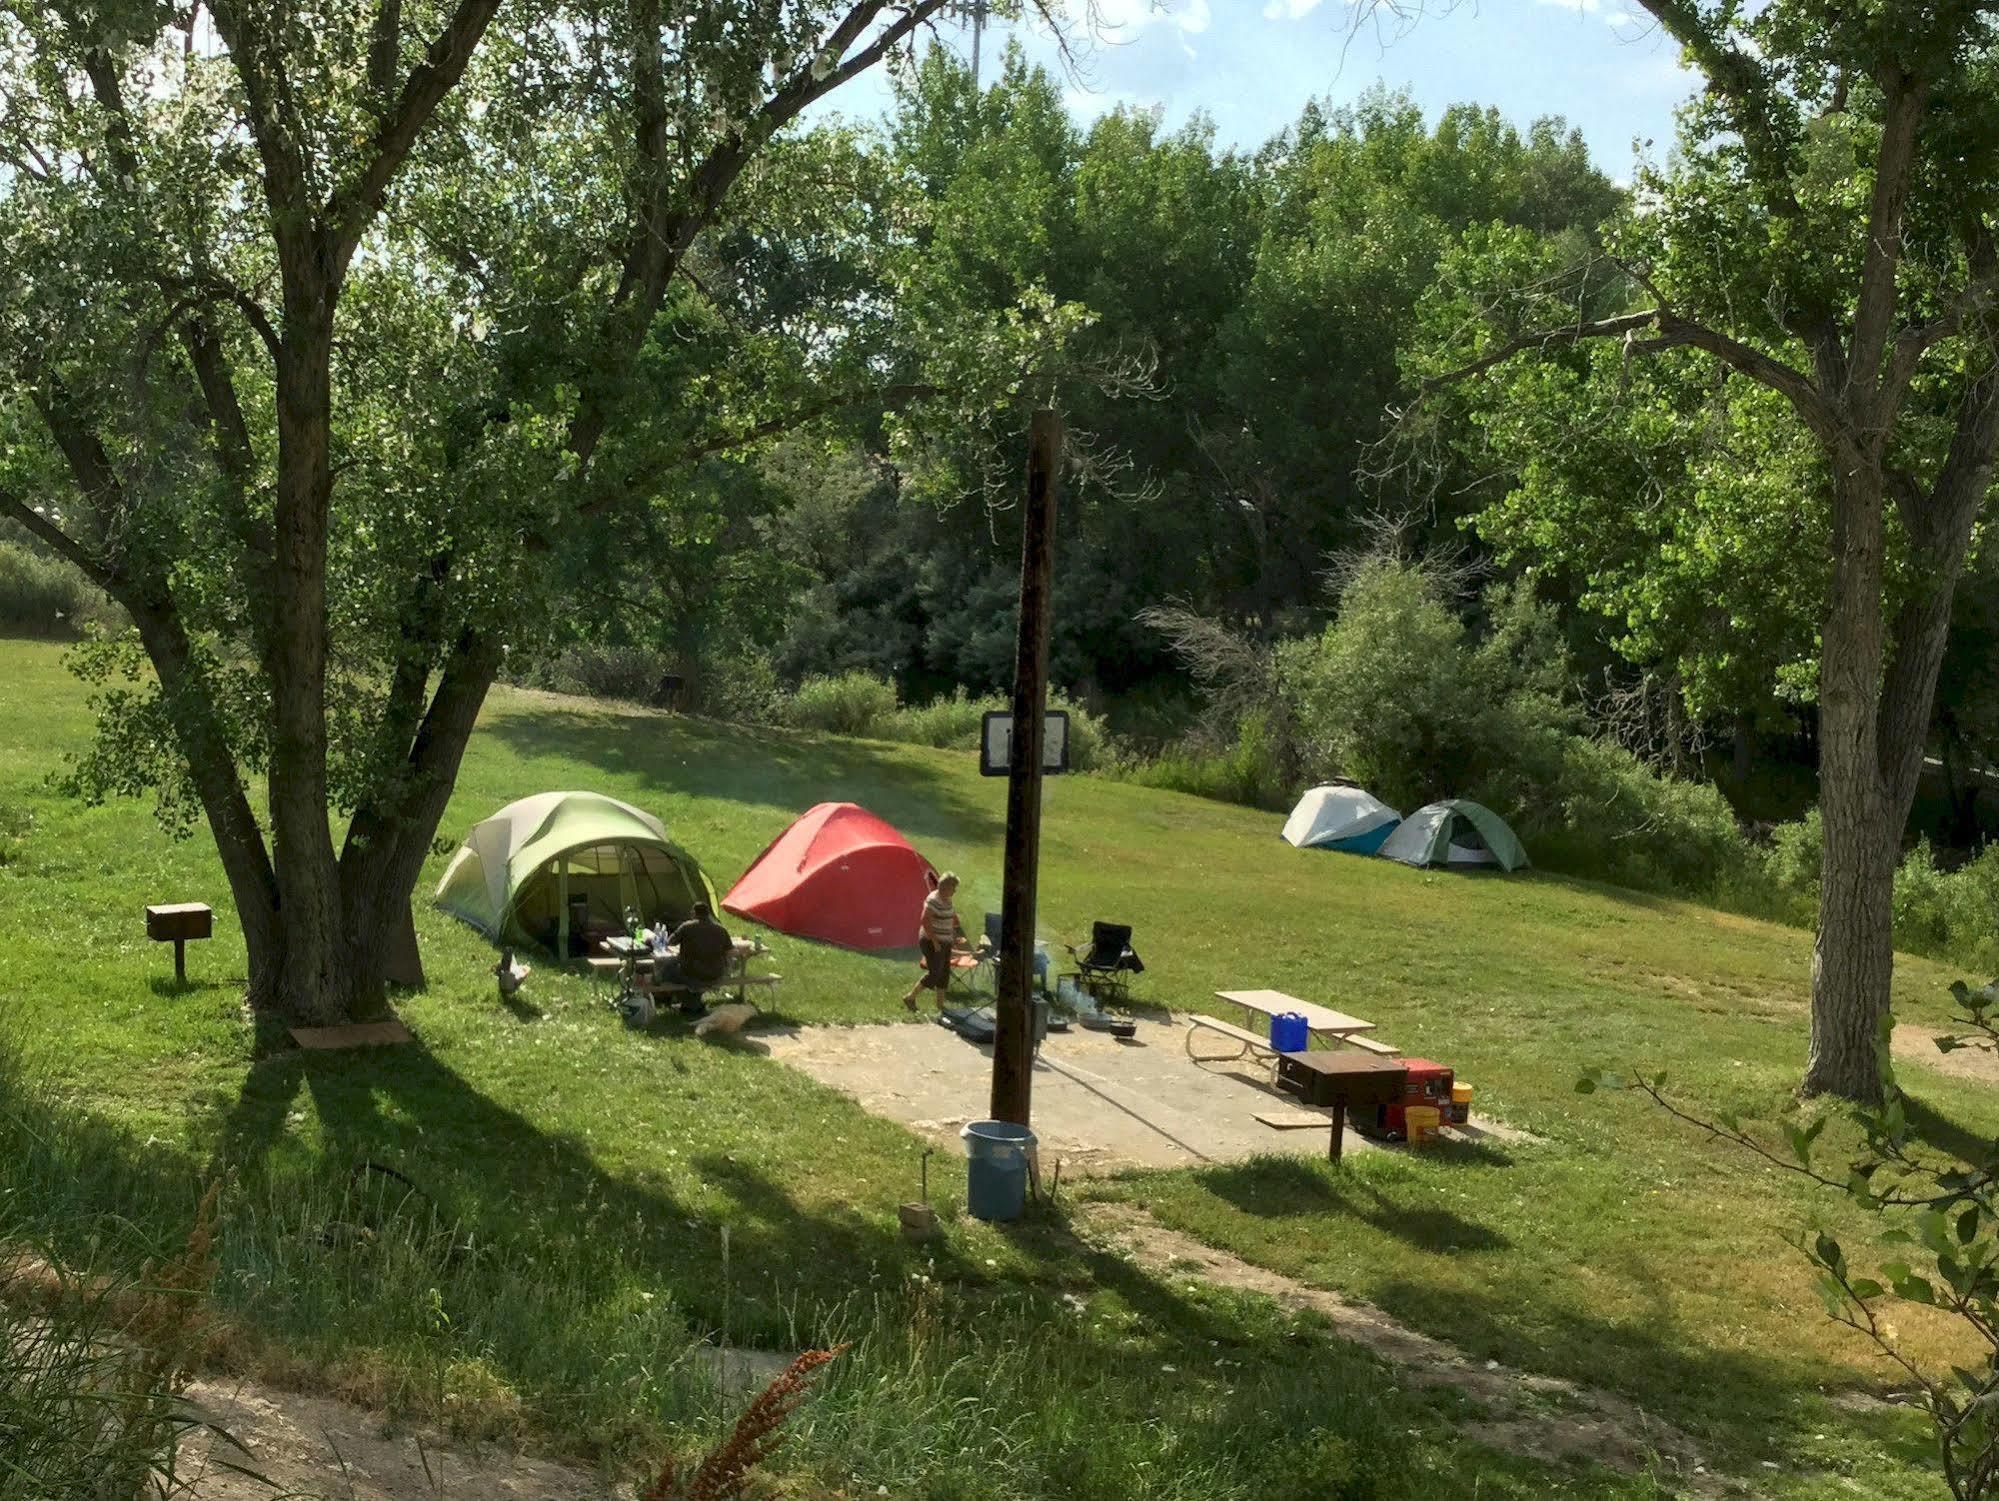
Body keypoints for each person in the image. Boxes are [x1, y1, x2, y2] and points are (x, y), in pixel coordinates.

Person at [903, 871, 965, 1012]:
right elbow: (924, 921)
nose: (955, 891)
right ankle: (910, 998)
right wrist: (935, 942)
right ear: (945, 887)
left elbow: (951, 916)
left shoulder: (947, 899)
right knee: (935, 973)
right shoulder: (933, 900)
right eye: (953, 888)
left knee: (944, 973)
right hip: (931, 941)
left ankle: (940, 1006)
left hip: (945, 940)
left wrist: (954, 929)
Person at [652, 902, 735, 1000]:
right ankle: (686, 997)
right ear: (708, 914)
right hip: (715, 974)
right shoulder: (721, 929)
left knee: (666, 971)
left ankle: (668, 998)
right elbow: (730, 951)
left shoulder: (687, 926)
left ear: (694, 913)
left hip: (692, 974)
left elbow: (670, 942)